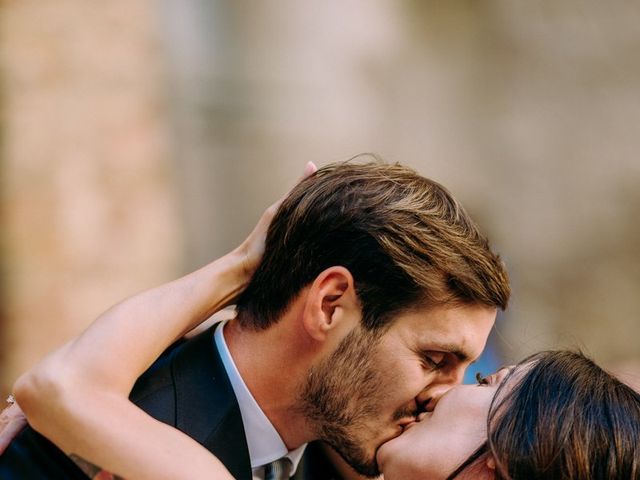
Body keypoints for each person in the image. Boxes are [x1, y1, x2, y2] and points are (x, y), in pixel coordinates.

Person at [0, 159, 511, 480]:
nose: (447, 392)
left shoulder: (319, 454)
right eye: (435, 359)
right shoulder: (113, 428)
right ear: (330, 304)